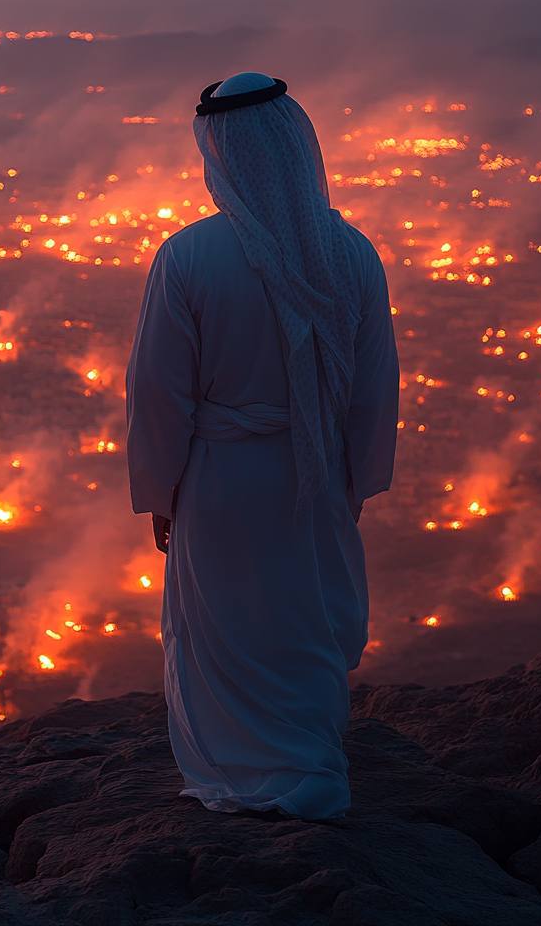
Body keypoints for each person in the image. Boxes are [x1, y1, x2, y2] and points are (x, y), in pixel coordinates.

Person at [125, 72, 399, 822]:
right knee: (301, 621)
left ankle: (242, 779)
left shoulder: (187, 258)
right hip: (315, 474)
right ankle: (310, 769)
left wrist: (159, 489)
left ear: (221, 155)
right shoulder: (352, 253)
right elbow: (374, 389)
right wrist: (353, 478)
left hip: (218, 482)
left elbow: (157, 394)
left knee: (229, 628)